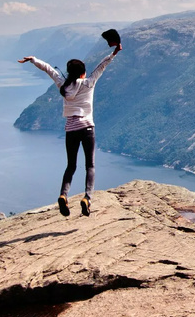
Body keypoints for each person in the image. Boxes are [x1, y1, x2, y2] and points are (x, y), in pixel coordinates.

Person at [19, 42, 121, 216]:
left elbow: (49, 69)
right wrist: (114, 53)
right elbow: (102, 66)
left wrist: (33, 59)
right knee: (90, 165)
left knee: (71, 166)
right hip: (87, 127)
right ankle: (87, 198)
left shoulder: (63, 85)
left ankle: (63, 195)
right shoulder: (89, 82)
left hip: (71, 129)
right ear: (82, 73)